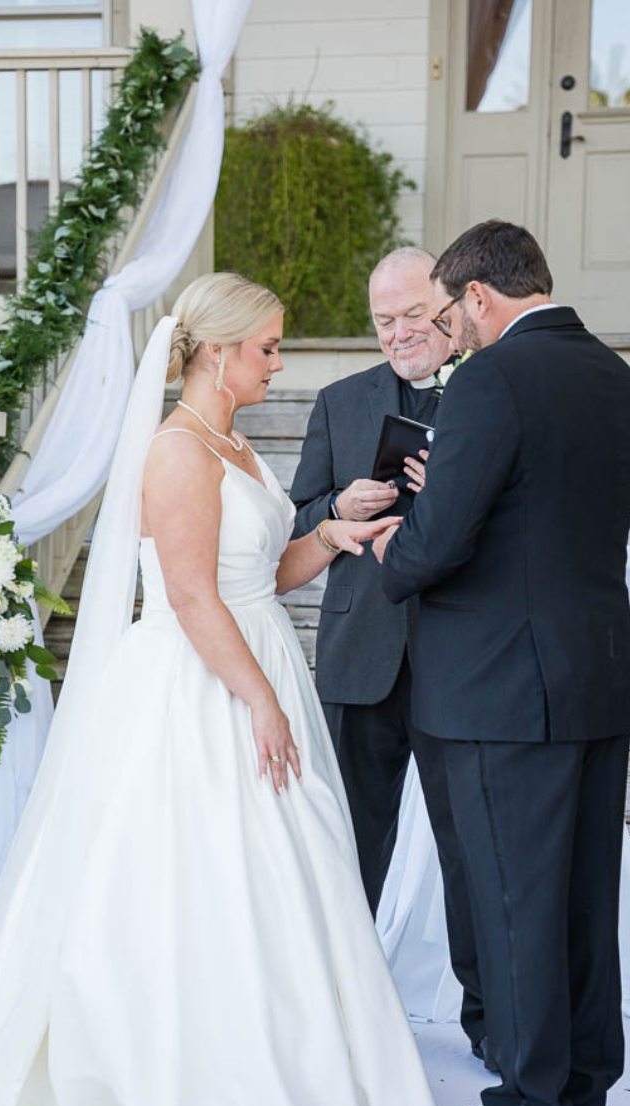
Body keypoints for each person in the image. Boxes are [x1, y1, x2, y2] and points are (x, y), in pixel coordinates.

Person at [0, 273, 442, 1106]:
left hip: (252, 656)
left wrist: (327, 534)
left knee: (288, 883)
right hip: (203, 687)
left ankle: (309, 1086)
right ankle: (203, 1103)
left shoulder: (230, 446)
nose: (278, 366)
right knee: (203, 887)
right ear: (217, 351)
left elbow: (257, 574)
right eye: (267, 348)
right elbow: (190, 596)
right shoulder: (176, 451)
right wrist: (262, 701)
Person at [372, 220, 630, 1106]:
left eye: (447, 311)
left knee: (515, 906)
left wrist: (398, 539)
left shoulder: (488, 379)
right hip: (595, 676)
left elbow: (437, 548)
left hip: (493, 690)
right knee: (578, 907)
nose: (452, 329)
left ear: (475, 298)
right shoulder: (611, 375)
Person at [287, 249, 485, 1059]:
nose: (398, 332)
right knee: (348, 845)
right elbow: (295, 518)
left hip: (463, 655)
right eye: (383, 320)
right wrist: (339, 504)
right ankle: (340, 1015)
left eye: (411, 314)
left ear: (446, 307)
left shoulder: (493, 389)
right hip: (362, 653)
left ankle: (490, 1022)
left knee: (470, 847)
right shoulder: (339, 403)